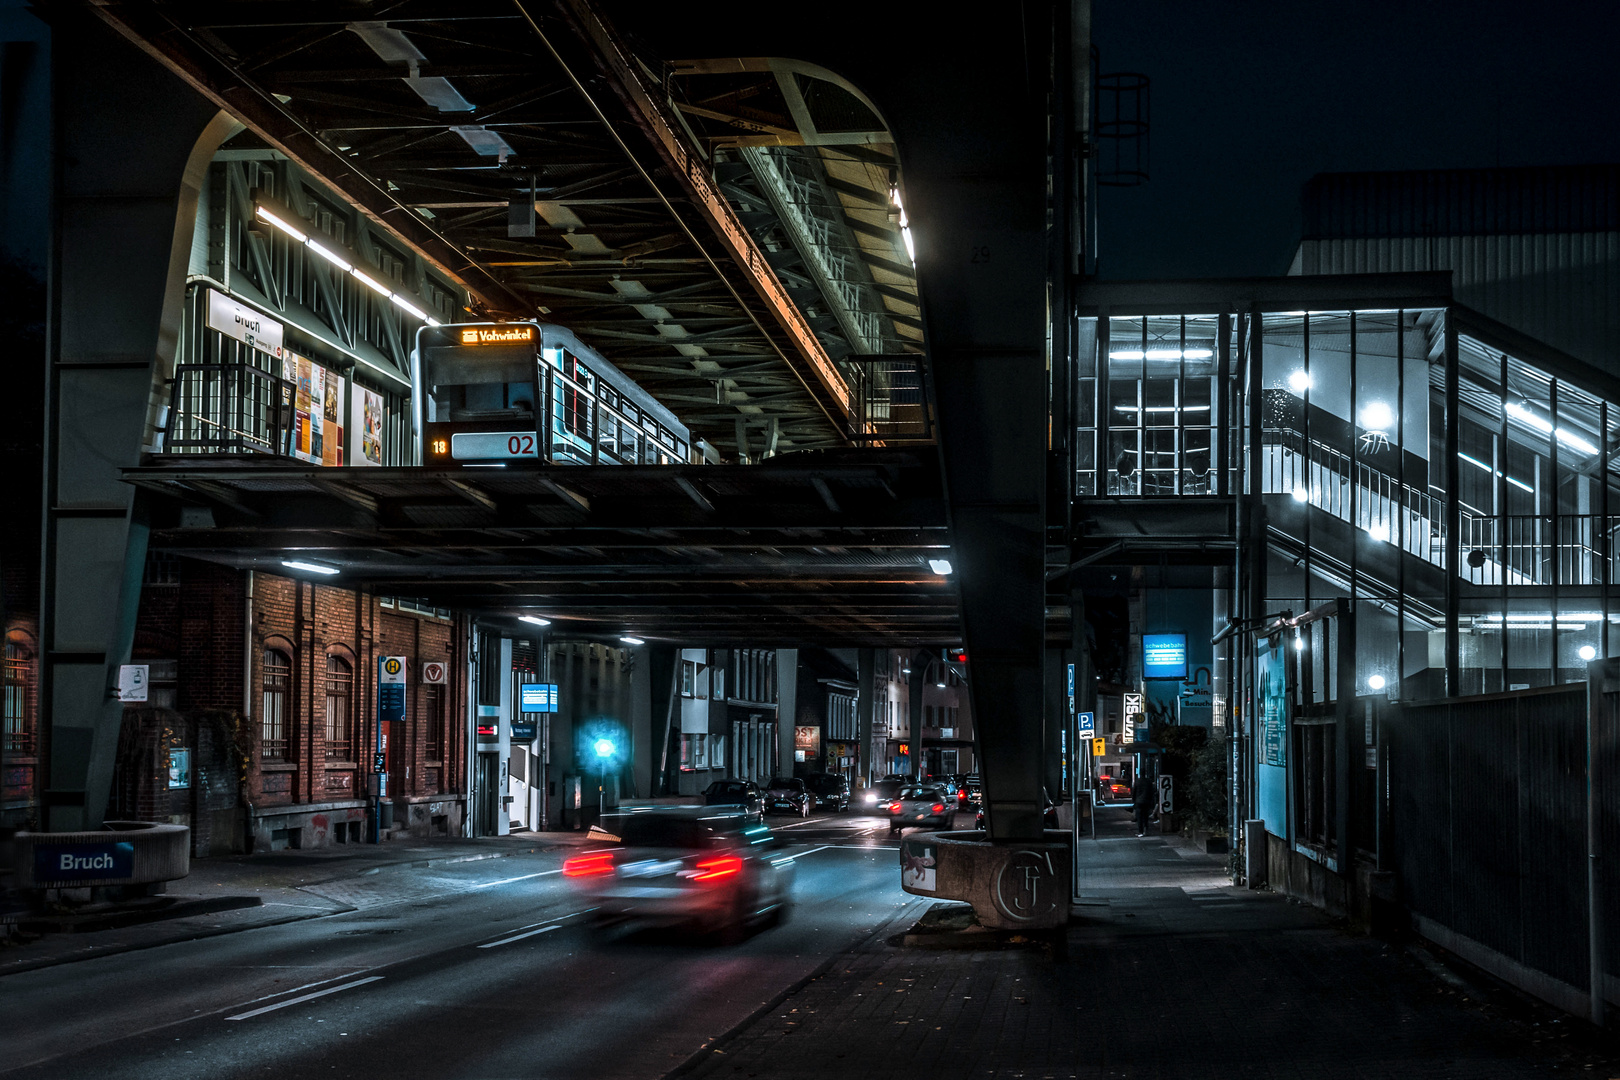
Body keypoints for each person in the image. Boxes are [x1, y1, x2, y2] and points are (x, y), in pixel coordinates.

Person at [1131, 772, 1155, 836]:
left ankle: (1140, 831)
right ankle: (1146, 829)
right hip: (1146, 801)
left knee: (1139, 817)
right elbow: (1151, 791)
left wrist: (1134, 801)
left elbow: (1134, 792)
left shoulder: (1137, 782)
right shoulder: (1148, 781)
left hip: (1139, 802)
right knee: (1145, 816)